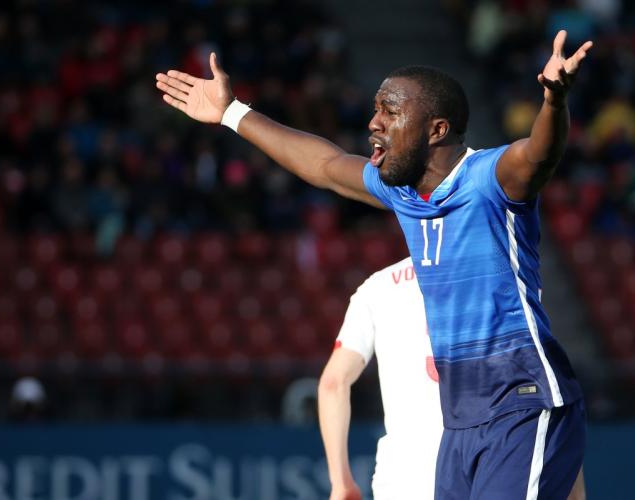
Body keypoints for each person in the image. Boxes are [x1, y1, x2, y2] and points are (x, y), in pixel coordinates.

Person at [155, 29, 592, 499]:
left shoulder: (489, 178)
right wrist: (231, 113)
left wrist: (553, 102)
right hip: (460, 420)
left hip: (521, 402)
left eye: (389, 110)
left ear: (437, 130)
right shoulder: (403, 193)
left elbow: (538, 155)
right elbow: (324, 165)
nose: (373, 122)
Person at [317, 257, 587, 500]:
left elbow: (333, 383)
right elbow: (545, 378)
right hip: (491, 460)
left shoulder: (376, 288)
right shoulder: (502, 275)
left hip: (401, 476)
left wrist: (340, 482)